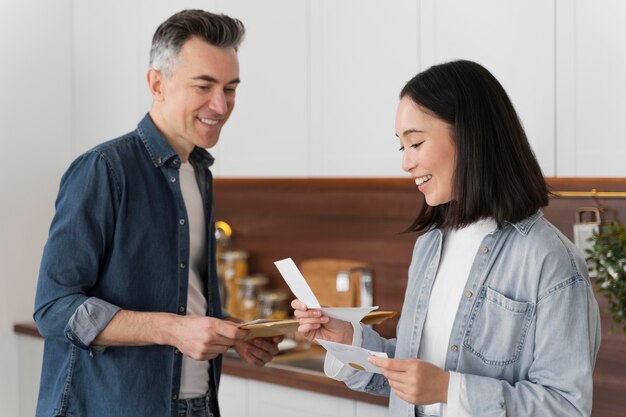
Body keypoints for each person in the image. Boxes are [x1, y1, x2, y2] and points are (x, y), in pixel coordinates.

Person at [293, 60, 601, 416]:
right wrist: (349, 341)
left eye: (416, 143)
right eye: (401, 147)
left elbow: (566, 406)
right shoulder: (430, 246)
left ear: (470, 138)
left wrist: (448, 388)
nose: (405, 163)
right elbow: (414, 375)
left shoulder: (551, 260)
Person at [34, 9, 281, 417]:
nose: (220, 105)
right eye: (204, 86)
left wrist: (231, 331)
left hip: (195, 405)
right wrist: (174, 330)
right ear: (157, 84)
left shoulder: (199, 172)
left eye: (230, 88)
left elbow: (180, 299)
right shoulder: (104, 169)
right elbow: (54, 308)